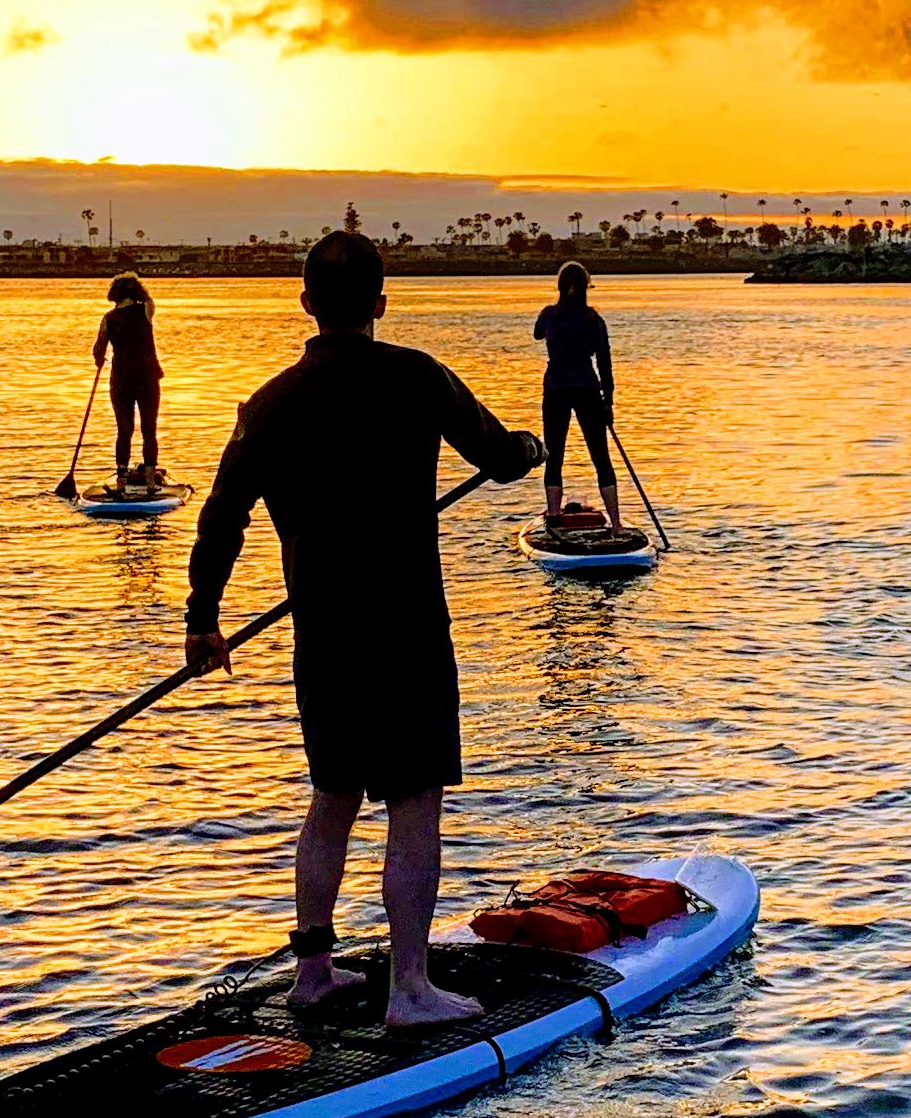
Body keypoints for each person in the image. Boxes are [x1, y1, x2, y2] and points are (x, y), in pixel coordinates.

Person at [187, 230, 539, 1026]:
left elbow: (221, 520)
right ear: (381, 303)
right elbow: (499, 453)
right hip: (407, 630)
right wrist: (529, 445)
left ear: (308, 303)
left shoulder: (270, 405)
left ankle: (314, 971)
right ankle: (409, 987)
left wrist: (203, 622)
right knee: (413, 802)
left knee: (332, 797)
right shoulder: (417, 377)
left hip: (326, 637)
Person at [531, 261, 622, 527]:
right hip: (587, 388)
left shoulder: (550, 315)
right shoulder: (594, 320)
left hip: (557, 388)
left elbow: (537, 334)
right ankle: (615, 524)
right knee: (600, 456)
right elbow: (604, 362)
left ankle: (554, 516)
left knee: (554, 454)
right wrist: (608, 401)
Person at [94, 274, 164, 491]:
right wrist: (139, 289)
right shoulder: (145, 310)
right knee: (149, 429)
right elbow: (150, 300)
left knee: (124, 430)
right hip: (147, 378)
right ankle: (151, 481)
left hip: (121, 380)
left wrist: (99, 360)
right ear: (136, 292)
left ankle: (121, 481)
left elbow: (98, 350)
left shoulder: (108, 318)